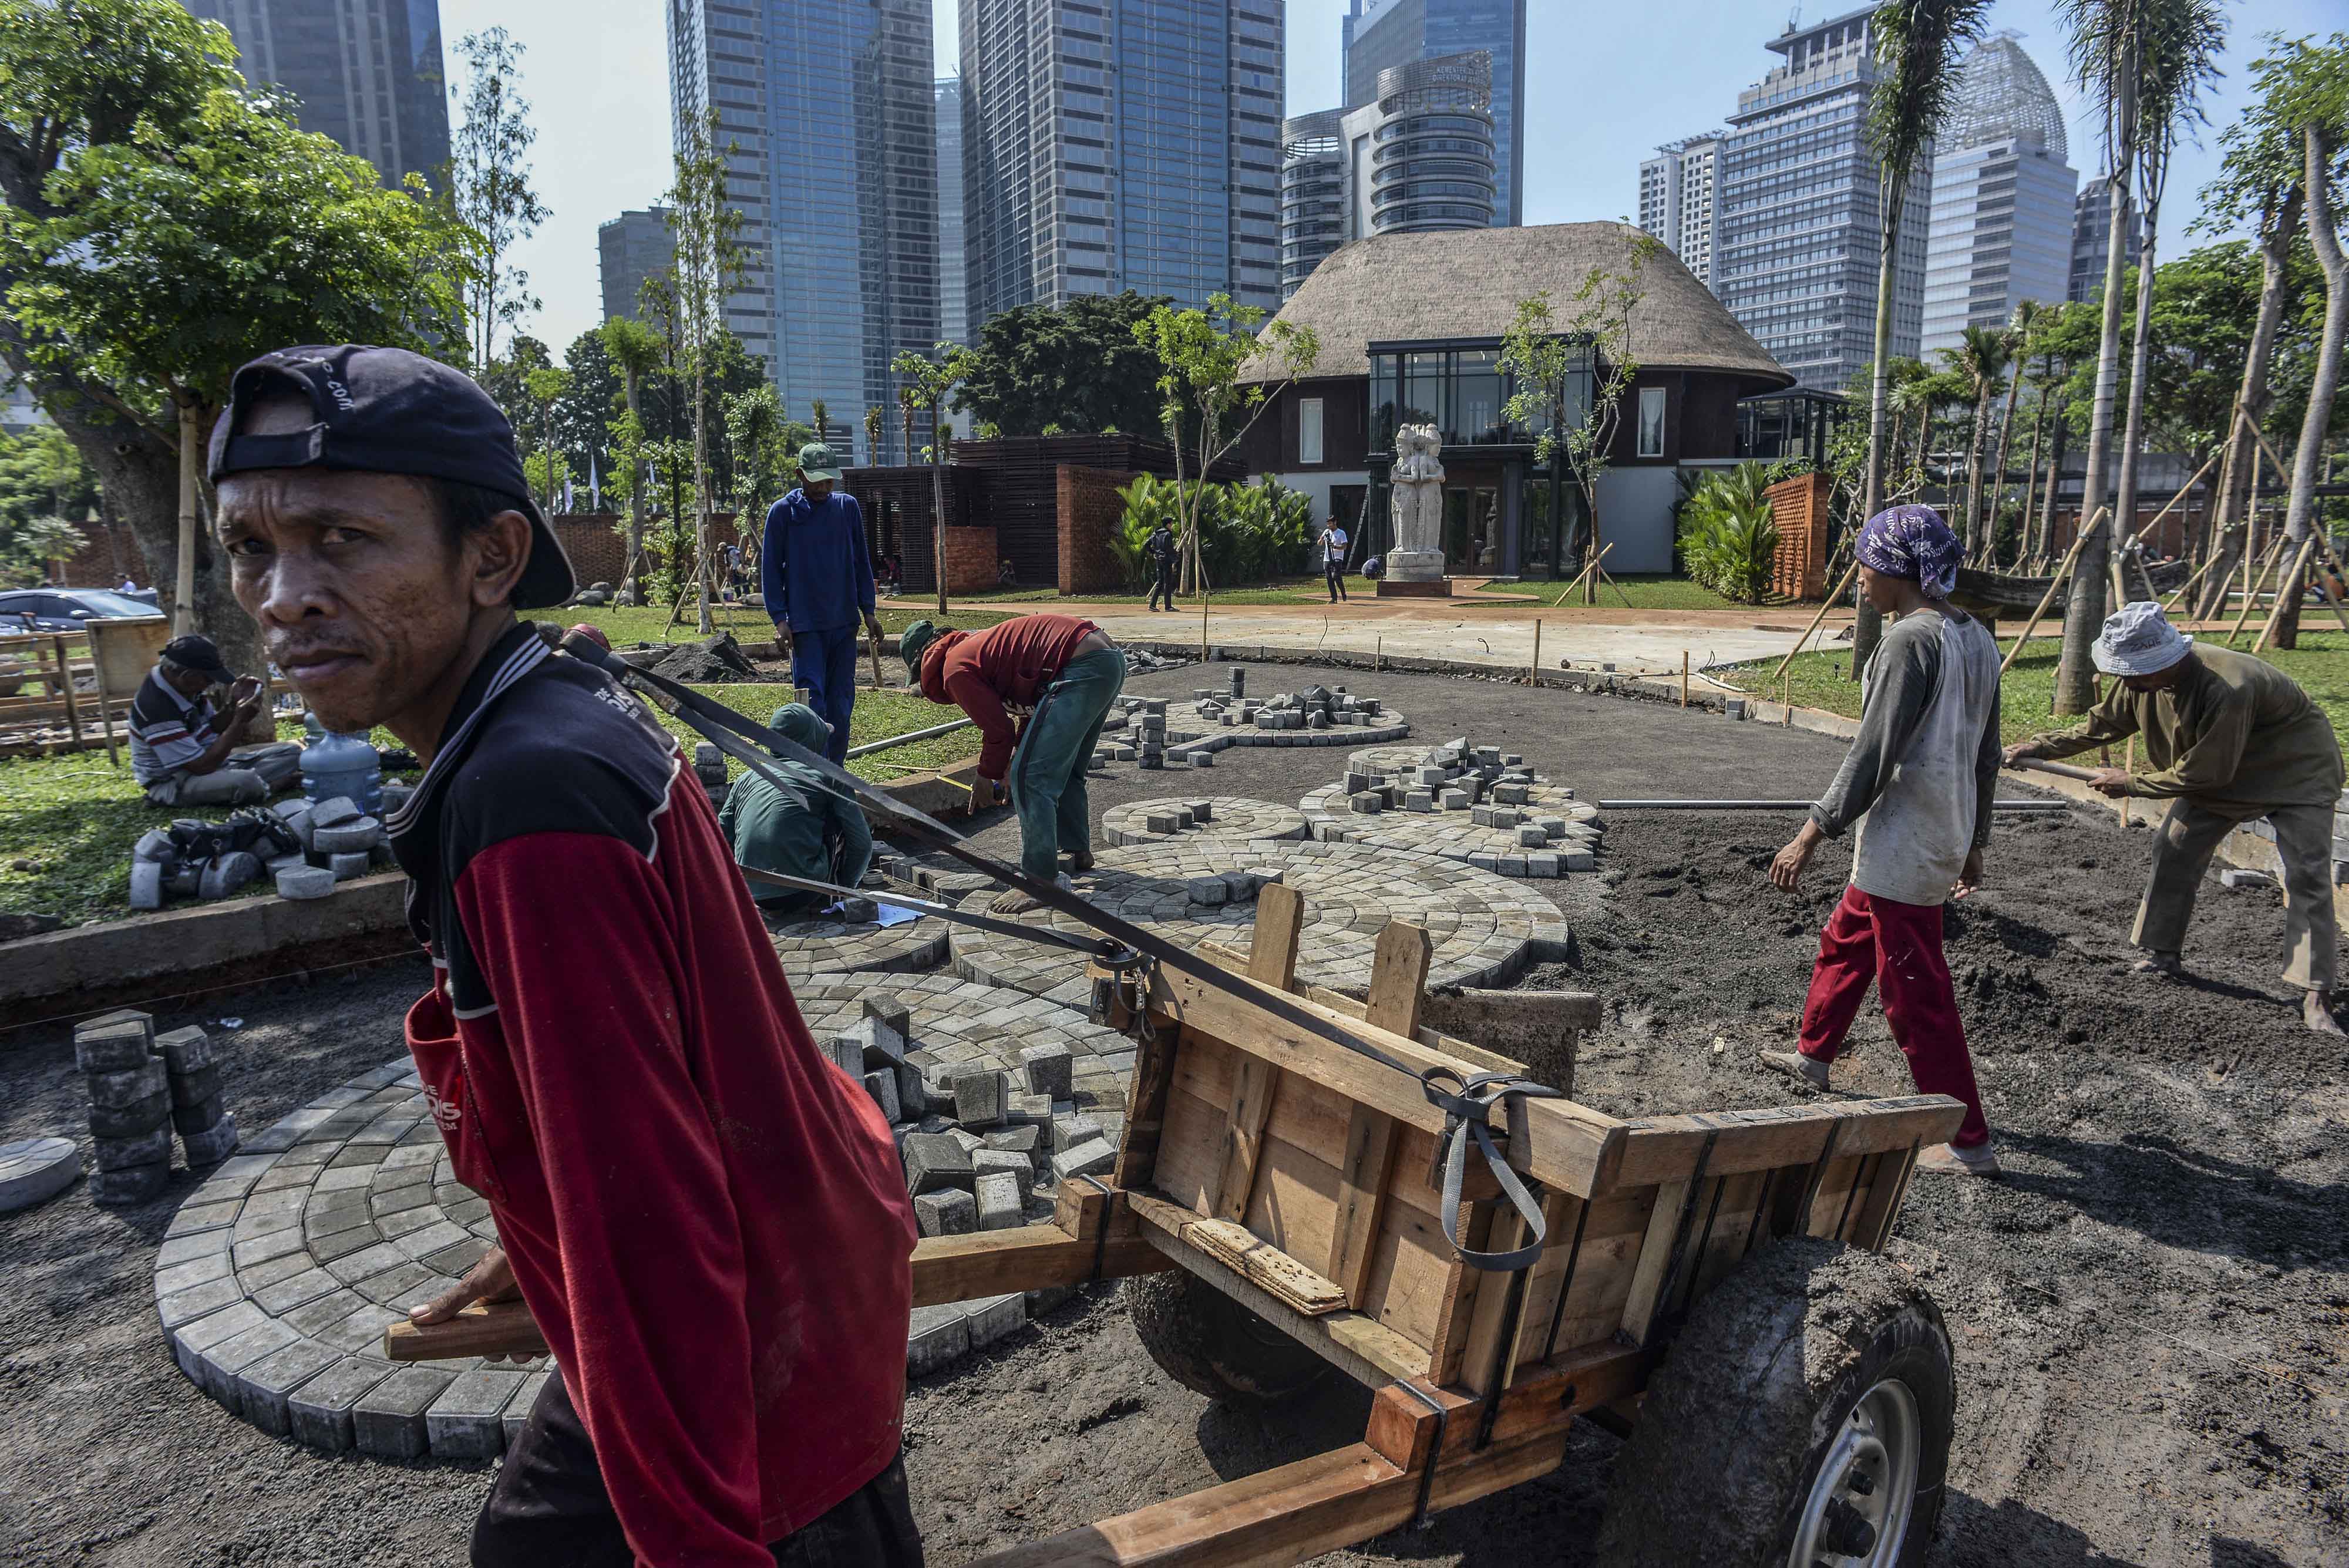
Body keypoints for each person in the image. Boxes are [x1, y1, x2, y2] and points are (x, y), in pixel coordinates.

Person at [208, 344, 920, 1566]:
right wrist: (541, 1230)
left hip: (757, 1339)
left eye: (342, 540)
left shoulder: (528, 797)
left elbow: (650, 1232)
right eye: (250, 550)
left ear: (490, 557)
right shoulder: (538, 713)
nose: (284, 595)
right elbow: (650, 1078)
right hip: (772, 1251)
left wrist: (700, 1544)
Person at [1759, 504, 2003, 1179]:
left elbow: (1872, 756)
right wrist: (1974, 838)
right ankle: (1812, 1058)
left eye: (1865, 561)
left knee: (1915, 992)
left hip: (1908, 836)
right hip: (1936, 830)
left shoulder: (1908, 643)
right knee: (1846, 939)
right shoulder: (1975, 637)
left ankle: (1968, 1140)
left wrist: (1811, 832)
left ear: (1896, 568)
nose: (1858, 575)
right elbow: (1988, 754)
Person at [2007, 601, 2347, 1035]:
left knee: (2308, 876)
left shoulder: (2228, 686)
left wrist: (2131, 784)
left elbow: (2206, 772)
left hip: (2295, 774)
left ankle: (2317, 993)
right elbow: (2100, 727)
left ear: (2166, 659)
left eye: (2132, 672)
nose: (2125, 680)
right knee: (2174, 847)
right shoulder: (2140, 682)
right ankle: (2161, 952)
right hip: (2224, 771)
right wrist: (2040, 747)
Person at [898, 613, 1122, 913]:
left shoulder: (955, 668)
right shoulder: (979, 652)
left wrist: (986, 775)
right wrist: (1011, 762)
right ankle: (1076, 851)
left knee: (1030, 780)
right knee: (1063, 769)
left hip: (1080, 667)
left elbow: (998, 729)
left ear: (923, 667)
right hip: (1106, 660)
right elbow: (1031, 712)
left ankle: (1040, 881)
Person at [762, 444, 885, 766]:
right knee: (812, 703)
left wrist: (868, 611)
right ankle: (815, 771)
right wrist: (780, 620)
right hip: (805, 627)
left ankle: (836, 770)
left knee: (842, 704)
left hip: (844, 623)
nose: (822, 488)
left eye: (829, 481)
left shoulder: (847, 508)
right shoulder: (783, 513)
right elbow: (771, 570)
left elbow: (861, 562)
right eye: (816, 480)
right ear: (799, 475)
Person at [721, 702, 875, 921]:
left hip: (750, 892)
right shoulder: (829, 777)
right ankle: (828, 897)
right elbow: (862, 844)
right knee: (842, 827)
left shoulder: (747, 778)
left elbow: (720, 836)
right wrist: (847, 889)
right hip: (803, 891)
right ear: (813, 738)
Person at [126, 634, 296, 806]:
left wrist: (233, 705)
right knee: (246, 782)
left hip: (211, 763)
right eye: (208, 679)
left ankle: (246, 785)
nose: (210, 684)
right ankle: (271, 787)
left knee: (293, 753)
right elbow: (202, 767)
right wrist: (239, 722)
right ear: (187, 676)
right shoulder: (156, 708)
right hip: (175, 781)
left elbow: (213, 727)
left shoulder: (182, 686)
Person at [1146, 520, 1178, 612]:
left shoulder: (1155, 533)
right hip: (1166, 560)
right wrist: (1175, 558)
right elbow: (1169, 549)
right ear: (1168, 524)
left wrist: (1154, 552)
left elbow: (1146, 545)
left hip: (1158, 560)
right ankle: (1168, 606)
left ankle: (1152, 605)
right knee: (1167, 583)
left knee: (1160, 582)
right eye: (1171, 524)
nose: (1172, 526)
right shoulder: (1168, 534)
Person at [1320, 519, 1350, 603]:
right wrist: (1321, 540)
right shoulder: (1326, 532)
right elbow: (1320, 542)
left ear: (1335, 523)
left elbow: (1345, 547)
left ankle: (1343, 592)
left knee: (1336, 577)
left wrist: (1335, 547)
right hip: (1327, 558)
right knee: (1329, 578)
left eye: (1330, 524)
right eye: (1328, 524)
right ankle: (1334, 598)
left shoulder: (1341, 533)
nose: (1329, 526)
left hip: (1337, 558)